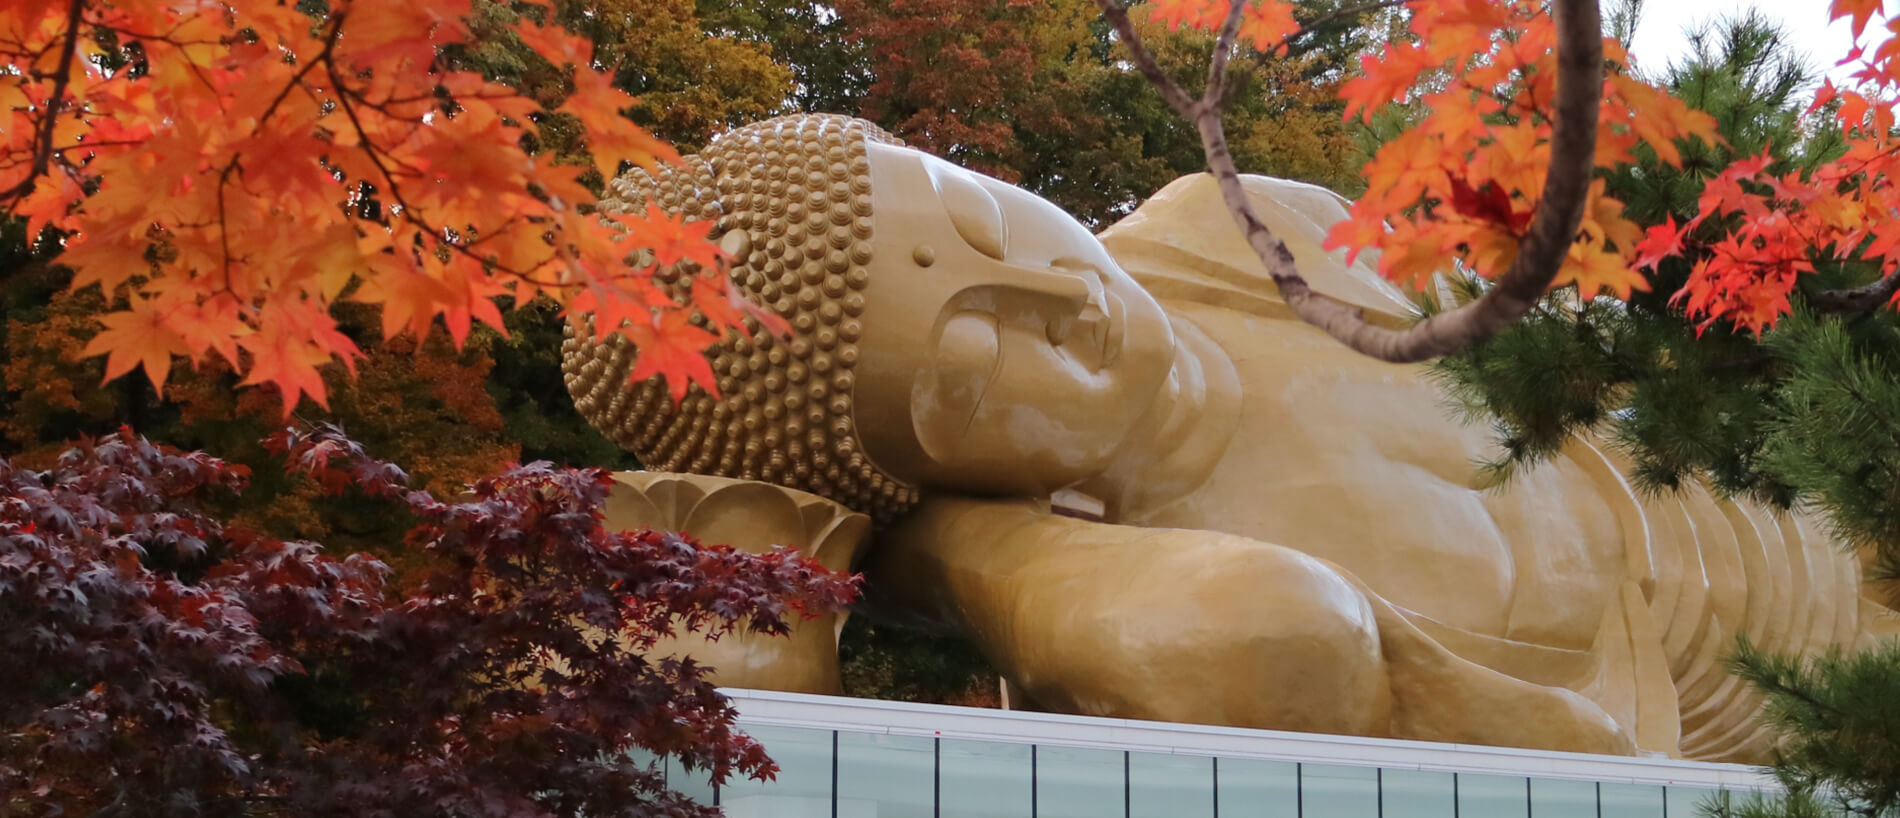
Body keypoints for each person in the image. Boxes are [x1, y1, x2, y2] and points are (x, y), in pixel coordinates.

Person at [563, 113, 1894, 761]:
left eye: (982, 217)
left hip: (1791, 441)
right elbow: (1280, 647)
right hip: (1781, 693)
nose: (1056, 301)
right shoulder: (1130, 589)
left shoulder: (1226, 232)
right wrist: (952, 553)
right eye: (971, 366)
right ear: (919, 477)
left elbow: (1590, 320)